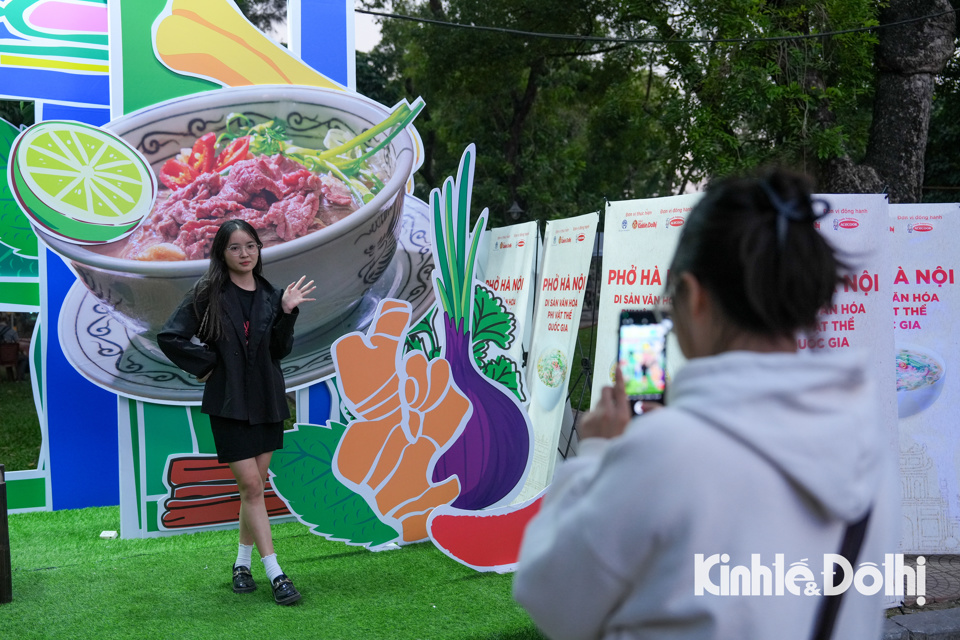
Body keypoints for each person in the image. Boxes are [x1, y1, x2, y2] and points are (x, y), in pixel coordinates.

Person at [513, 170, 898, 639]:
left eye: (669, 303)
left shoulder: (667, 451)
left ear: (693, 297)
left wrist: (595, 456)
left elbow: (549, 598)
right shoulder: (867, 446)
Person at [158, 219, 315, 606]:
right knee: (251, 486)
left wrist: (287, 311)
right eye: (235, 247)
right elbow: (171, 336)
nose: (244, 254)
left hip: (267, 399)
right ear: (221, 253)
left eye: (251, 246)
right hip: (228, 402)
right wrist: (209, 364)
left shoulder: (269, 294)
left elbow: (278, 350)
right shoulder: (208, 292)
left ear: (259, 249)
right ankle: (276, 572)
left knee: (254, 489)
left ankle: (241, 564)